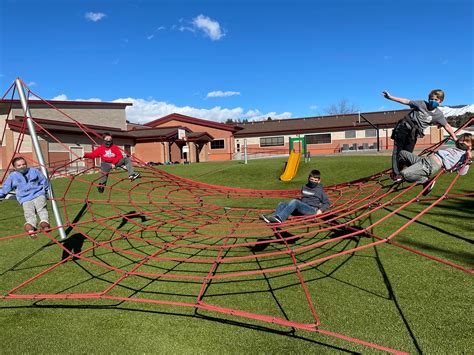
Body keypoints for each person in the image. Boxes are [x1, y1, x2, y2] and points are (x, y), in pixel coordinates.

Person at [382, 89, 457, 182]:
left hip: (414, 134)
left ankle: (402, 172)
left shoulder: (438, 115)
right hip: (403, 128)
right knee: (398, 151)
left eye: (436, 100)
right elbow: (406, 101)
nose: (432, 101)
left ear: (440, 101)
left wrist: (455, 138)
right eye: (431, 99)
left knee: (407, 154)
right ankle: (395, 174)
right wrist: (390, 97)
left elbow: (447, 126)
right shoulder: (422, 104)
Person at [399, 133, 472, 196]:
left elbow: (462, 173)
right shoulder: (456, 148)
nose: (462, 141)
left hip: (431, 165)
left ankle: (426, 181)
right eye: (462, 139)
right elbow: (455, 138)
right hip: (424, 160)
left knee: (405, 174)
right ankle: (408, 171)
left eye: (467, 141)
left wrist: (468, 160)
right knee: (402, 153)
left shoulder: (464, 156)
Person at [0, 157, 50, 236]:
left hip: (38, 194)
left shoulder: (33, 171)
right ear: (15, 167)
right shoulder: (13, 176)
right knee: (33, 212)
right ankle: (32, 226)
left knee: (38, 210)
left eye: (24, 164)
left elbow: (43, 180)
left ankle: (41, 224)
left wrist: (47, 190)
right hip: (25, 198)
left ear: (26, 164)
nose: (22, 166)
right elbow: (6, 188)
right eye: (19, 165)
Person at [261, 169, 331, 223]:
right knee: (282, 204)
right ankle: (272, 218)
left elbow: (327, 202)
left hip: (312, 210)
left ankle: (280, 218)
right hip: (303, 208)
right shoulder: (304, 187)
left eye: (315, 180)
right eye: (311, 179)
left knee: (295, 202)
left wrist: (320, 210)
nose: (313, 182)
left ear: (319, 181)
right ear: (308, 179)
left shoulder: (320, 190)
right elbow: (304, 199)